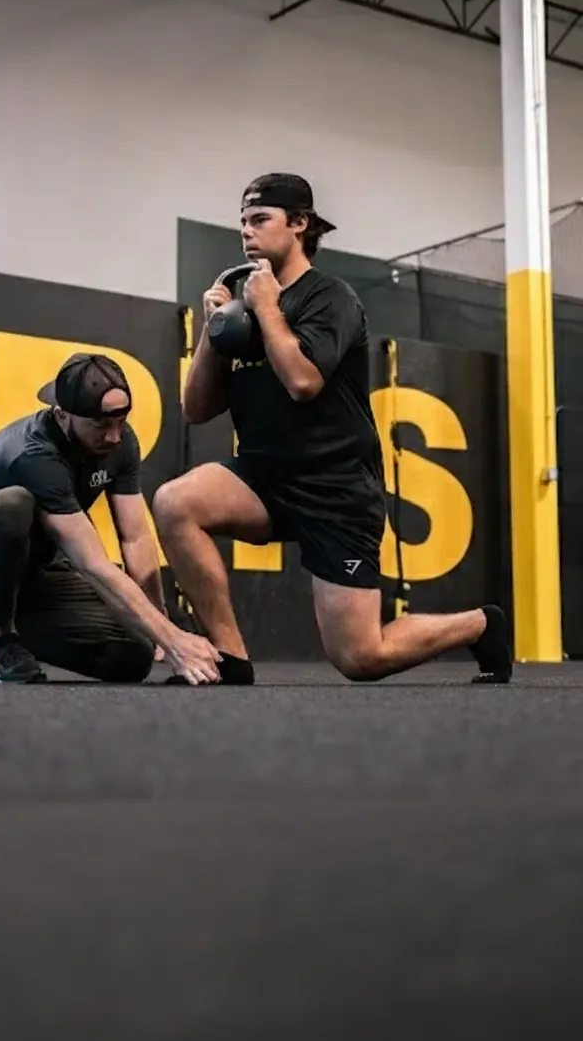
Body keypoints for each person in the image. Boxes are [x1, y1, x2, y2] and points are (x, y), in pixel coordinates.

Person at [152, 172, 512, 685]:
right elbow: (195, 408)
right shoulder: (242, 304)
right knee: (174, 503)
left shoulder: (329, 299)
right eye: (242, 224)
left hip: (335, 486)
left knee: (361, 658)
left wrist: (267, 308)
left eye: (259, 220)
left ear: (299, 225)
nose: (246, 234)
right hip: (263, 477)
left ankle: (480, 625)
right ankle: (229, 659)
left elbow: (302, 382)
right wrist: (214, 331)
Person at [0, 352, 223, 684]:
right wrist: (175, 639)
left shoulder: (120, 443)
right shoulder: (34, 452)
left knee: (133, 655)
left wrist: (161, 626)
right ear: (63, 415)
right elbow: (91, 562)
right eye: (101, 426)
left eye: (120, 423)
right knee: (12, 505)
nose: (114, 436)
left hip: (35, 570)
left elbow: (135, 537)